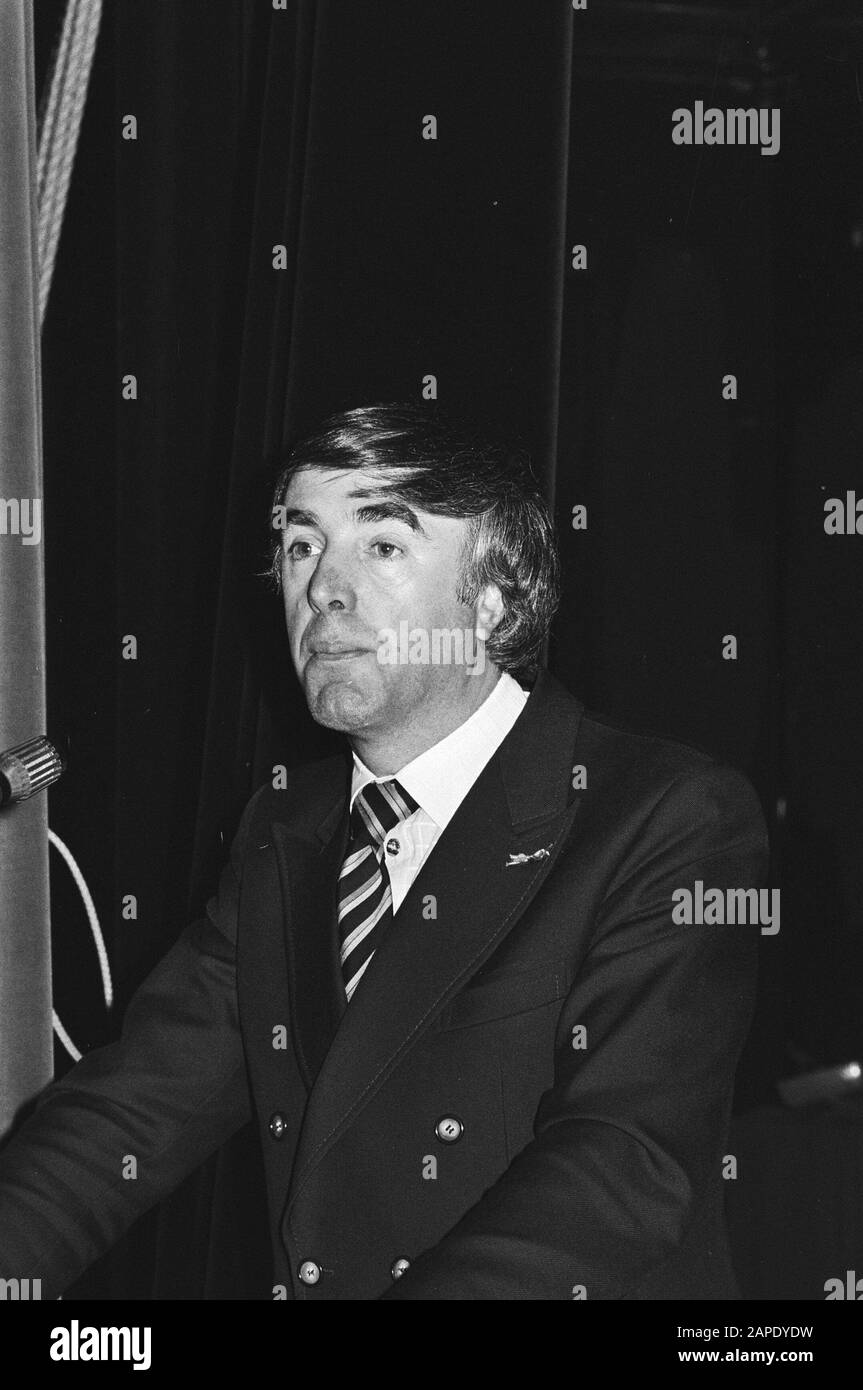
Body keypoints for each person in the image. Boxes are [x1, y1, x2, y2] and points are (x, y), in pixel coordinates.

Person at [0, 402, 768, 1300]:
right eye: (299, 545)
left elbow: (620, 1168)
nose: (323, 585)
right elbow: (126, 1118)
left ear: (495, 595)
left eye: (383, 543)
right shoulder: (284, 832)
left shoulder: (663, 816)